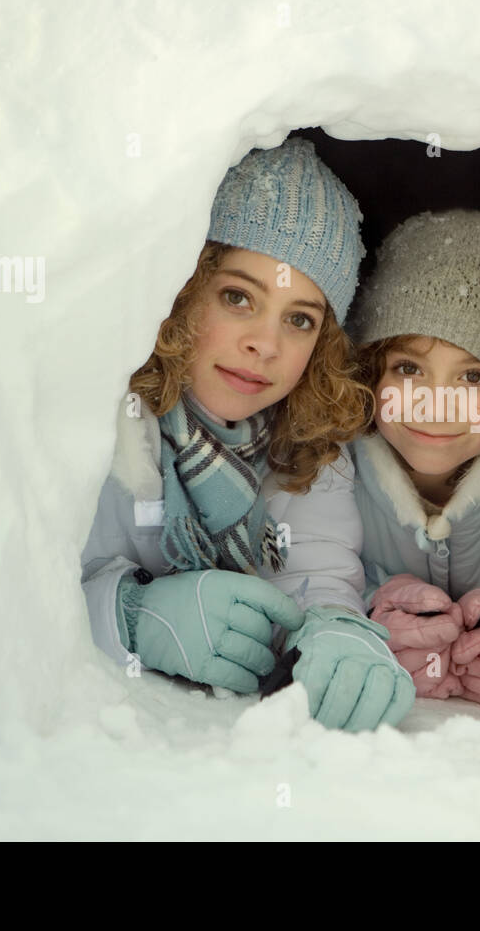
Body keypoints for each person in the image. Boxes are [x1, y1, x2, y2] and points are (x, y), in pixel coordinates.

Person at [80, 138, 415, 732]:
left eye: (299, 319)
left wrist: (339, 629)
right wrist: (125, 613)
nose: (266, 343)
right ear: (184, 292)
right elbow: (20, 582)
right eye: (239, 297)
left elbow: (317, 573)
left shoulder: (307, 443)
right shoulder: (98, 416)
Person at [346, 210, 480, 707]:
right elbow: (303, 576)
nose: (435, 403)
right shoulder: (334, 459)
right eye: (408, 367)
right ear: (372, 374)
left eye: (474, 377)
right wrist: (372, 619)